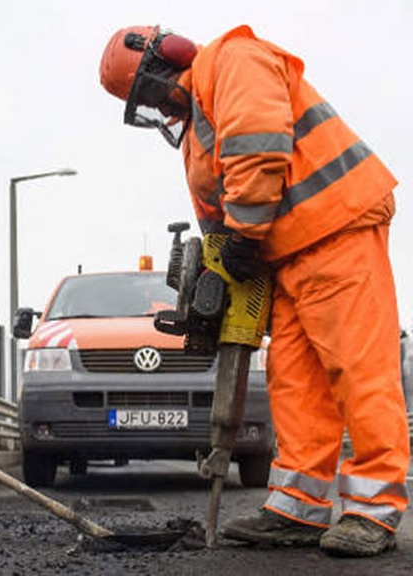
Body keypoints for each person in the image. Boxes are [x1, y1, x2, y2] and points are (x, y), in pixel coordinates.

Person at [99, 25, 409, 557]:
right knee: (294, 379)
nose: (160, 107)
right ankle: (298, 508)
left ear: (167, 59)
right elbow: (212, 215)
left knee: (357, 370)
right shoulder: (196, 128)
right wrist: (221, 263)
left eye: (152, 92)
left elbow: (259, 145)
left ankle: (374, 512)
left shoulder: (231, 61)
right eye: (146, 103)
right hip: (282, 253)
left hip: (335, 228)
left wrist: (241, 233)